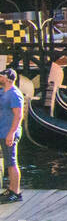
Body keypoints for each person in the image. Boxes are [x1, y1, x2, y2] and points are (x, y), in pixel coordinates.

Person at [0, 69, 23, 204]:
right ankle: (10, 189)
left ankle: (16, 192)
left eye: (1, 76)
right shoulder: (3, 92)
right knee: (8, 162)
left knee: (12, 162)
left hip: (9, 132)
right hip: (2, 131)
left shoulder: (14, 94)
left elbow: (18, 115)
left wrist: (12, 133)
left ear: (8, 79)